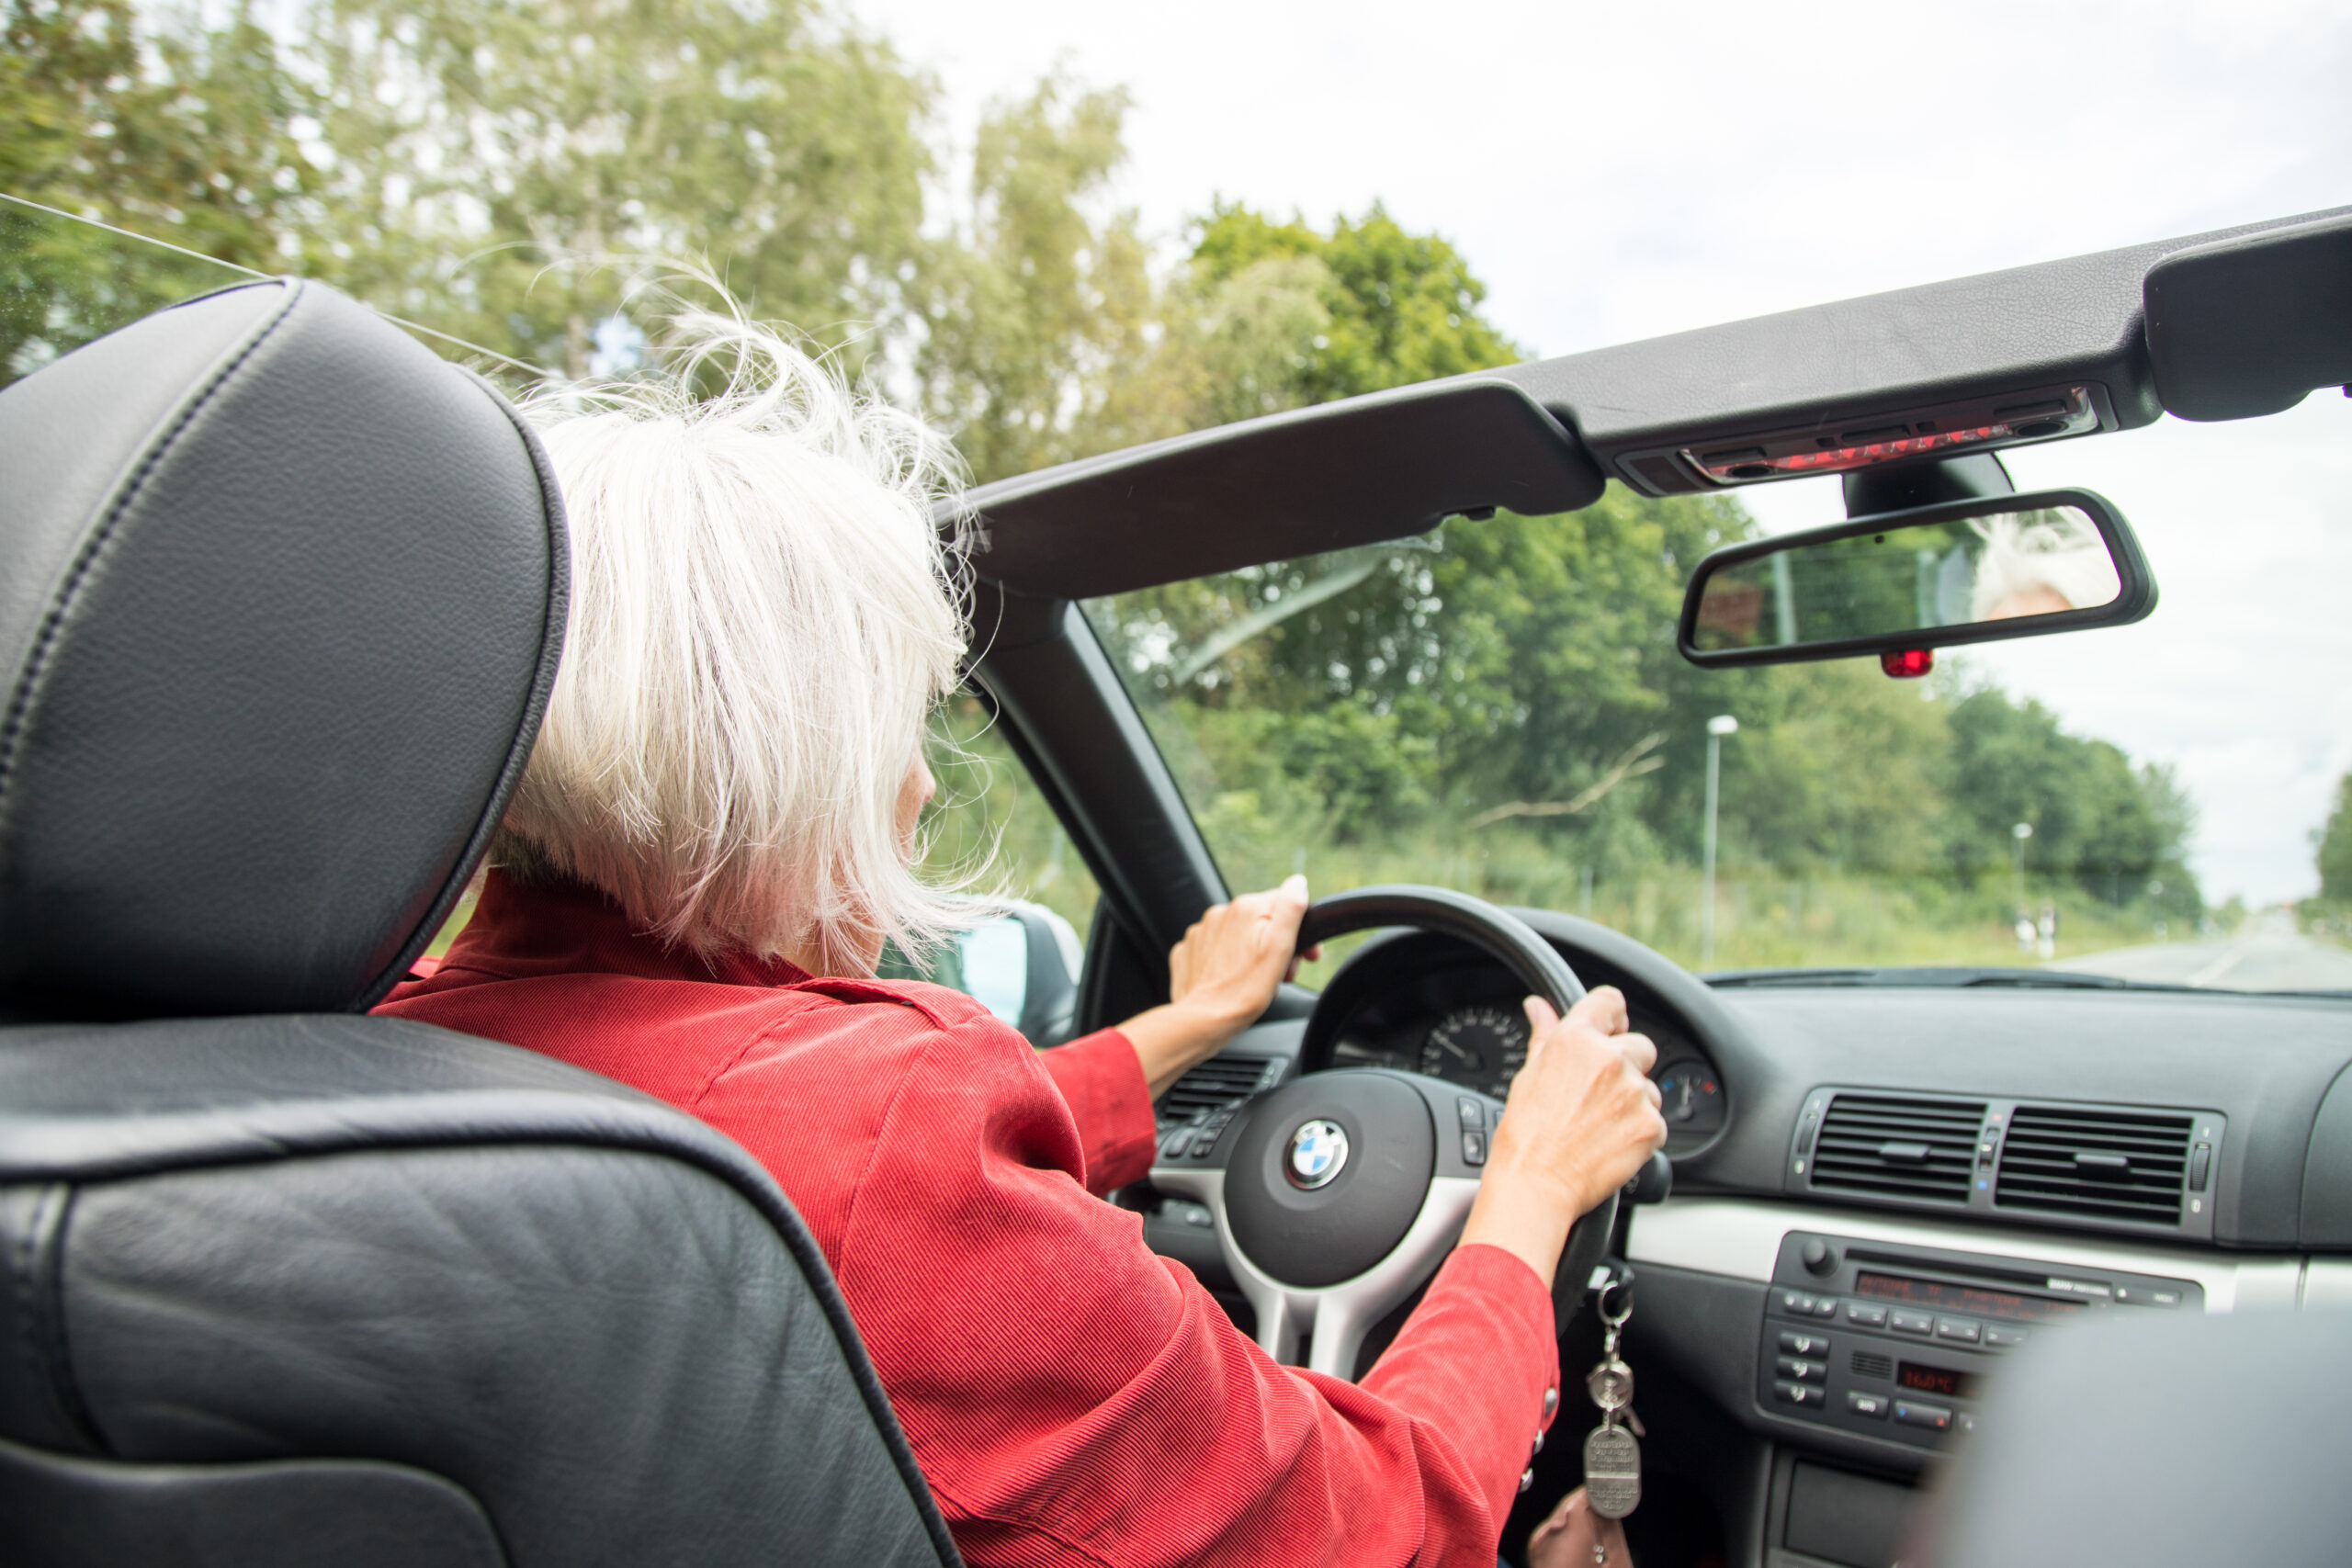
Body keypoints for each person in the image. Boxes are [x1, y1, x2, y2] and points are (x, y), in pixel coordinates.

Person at [378, 312, 1668, 1567]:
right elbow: (1378, 1530)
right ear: (789, 756)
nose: (920, 790)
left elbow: (799, 1149)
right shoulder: (888, 1133)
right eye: (902, 725)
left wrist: (1191, 1024)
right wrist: (1529, 1193)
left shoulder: (389, 1029)